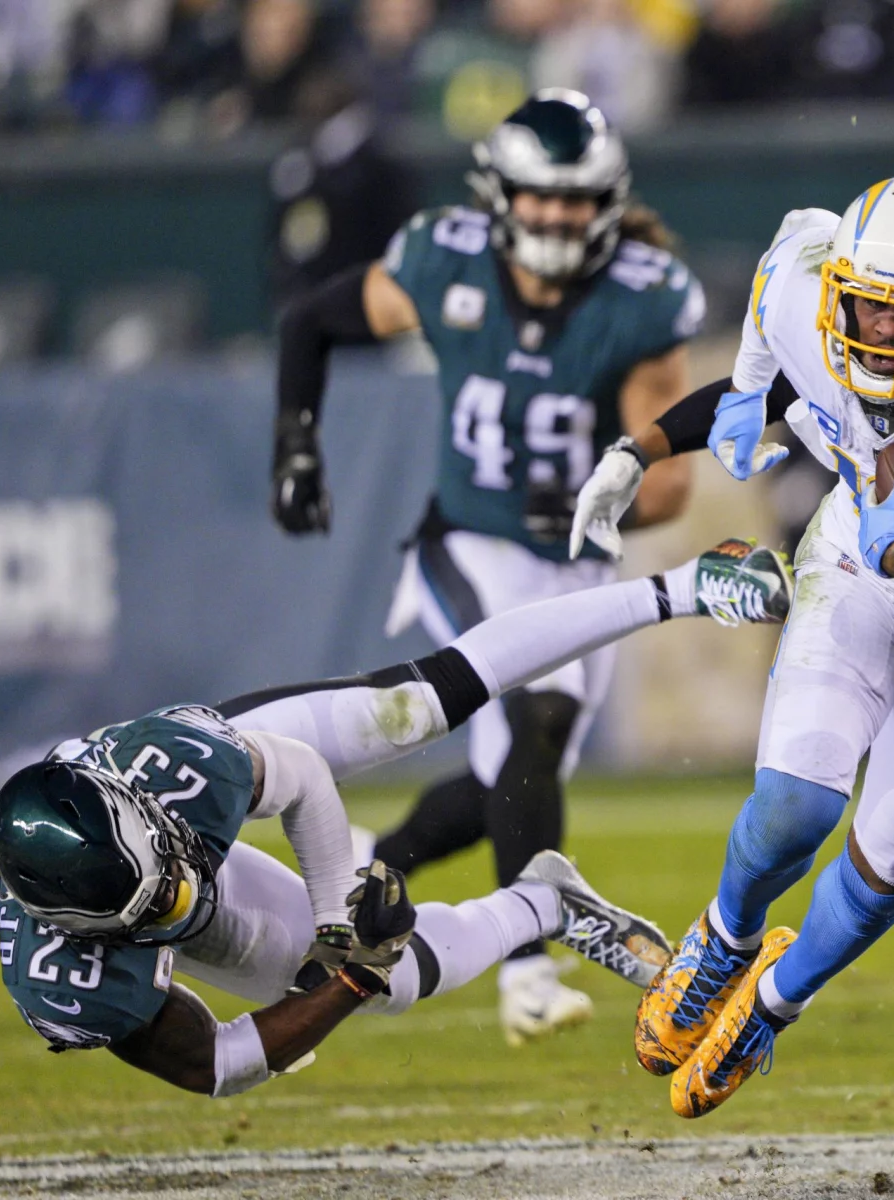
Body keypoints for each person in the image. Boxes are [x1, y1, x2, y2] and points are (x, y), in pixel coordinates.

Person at [569, 174, 894, 1116]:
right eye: (869, 307)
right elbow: (783, 256)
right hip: (857, 564)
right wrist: (741, 389)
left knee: (887, 859)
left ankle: (770, 1007)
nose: (882, 334)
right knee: (791, 808)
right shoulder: (803, 283)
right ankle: (726, 938)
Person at [0, 538, 792, 1094]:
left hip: (218, 777)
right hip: (147, 894)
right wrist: (354, 972)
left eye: (165, 879)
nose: (181, 898)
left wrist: (341, 924)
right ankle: (548, 903)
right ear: (79, 928)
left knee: (415, 705)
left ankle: (682, 584)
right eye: (153, 910)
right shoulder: (64, 981)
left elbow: (300, 777)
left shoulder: (182, 773)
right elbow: (217, 1066)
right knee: (386, 986)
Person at [270, 89, 704, 1048]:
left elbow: (669, 481)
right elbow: (312, 319)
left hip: (573, 562)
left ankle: (374, 860)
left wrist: (619, 491)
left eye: (574, 199)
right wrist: (295, 444)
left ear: (606, 201)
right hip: (467, 537)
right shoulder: (444, 257)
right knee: (529, 716)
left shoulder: (643, 297)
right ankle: (531, 967)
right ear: (500, 195)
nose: (555, 217)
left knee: (512, 771)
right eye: (538, 197)